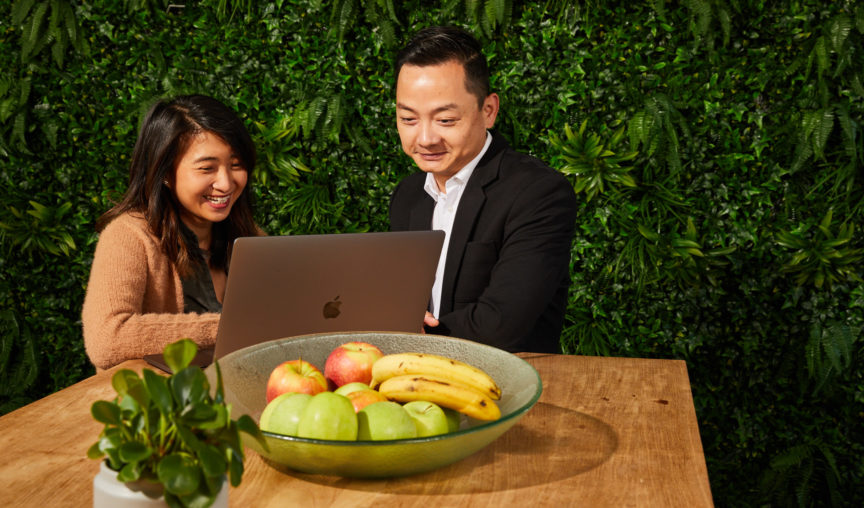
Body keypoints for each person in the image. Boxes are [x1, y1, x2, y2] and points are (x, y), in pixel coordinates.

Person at [389, 26, 578, 354]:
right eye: (408, 119)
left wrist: (405, 338)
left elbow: (503, 321)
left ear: (488, 110)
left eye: (445, 120)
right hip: (415, 382)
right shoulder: (407, 195)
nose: (425, 139)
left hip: (513, 384)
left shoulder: (540, 193)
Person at [82, 95, 261, 369]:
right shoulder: (128, 234)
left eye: (236, 165)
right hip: (161, 404)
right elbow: (107, 338)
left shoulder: (250, 238)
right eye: (207, 168)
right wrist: (231, 326)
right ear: (165, 172)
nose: (226, 183)